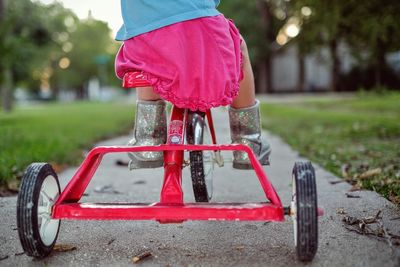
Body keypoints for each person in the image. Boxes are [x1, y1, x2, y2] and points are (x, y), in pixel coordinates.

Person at [115, 0, 270, 170]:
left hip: (150, 36)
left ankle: (148, 139)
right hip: (202, 30)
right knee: (238, 48)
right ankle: (247, 141)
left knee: (145, 53)